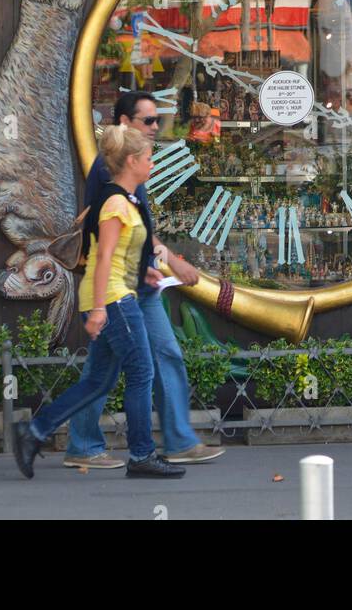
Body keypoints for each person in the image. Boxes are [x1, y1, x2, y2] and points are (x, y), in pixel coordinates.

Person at [12, 125, 185, 480]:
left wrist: (145, 275)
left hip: (116, 293)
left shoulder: (124, 199)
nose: (152, 164)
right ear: (133, 160)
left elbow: (119, 254)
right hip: (113, 299)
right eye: (149, 158)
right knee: (141, 373)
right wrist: (102, 310)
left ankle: (33, 434)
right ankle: (141, 455)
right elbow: (103, 256)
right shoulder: (116, 203)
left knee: (98, 383)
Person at [63, 90, 225, 468]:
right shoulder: (110, 169)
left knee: (163, 354)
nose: (155, 127)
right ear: (124, 123)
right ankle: (84, 445)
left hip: (138, 281)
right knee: (105, 369)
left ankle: (178, 440)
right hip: (120, 287)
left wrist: (152, 262)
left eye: (156, 120)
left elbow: (133, 228)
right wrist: (172, 260)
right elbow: (111, 234)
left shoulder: (135, 163)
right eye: (147, 121)